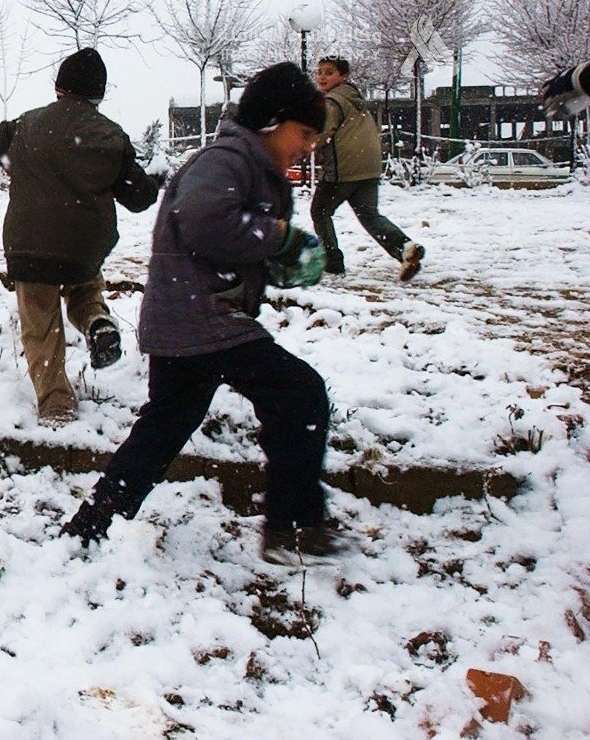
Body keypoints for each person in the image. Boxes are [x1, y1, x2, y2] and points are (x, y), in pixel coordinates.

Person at [61, 63, 349, 565]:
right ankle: (292, 527)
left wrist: (282, 267)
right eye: (303, 133)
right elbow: (203, 219)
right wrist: (279, 238)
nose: (308, 145)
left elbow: (228, 243)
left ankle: (92, 524)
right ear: (273, 121)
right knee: (298, 394)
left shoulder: (248, 166)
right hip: (205, 318)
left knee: (163, 429)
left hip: (186, 318)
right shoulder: (227, 160)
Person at [0, 48, 158, 425]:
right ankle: (96, 321)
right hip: (84, 244)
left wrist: (20, 157)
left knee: (41, 323)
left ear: (58, 85)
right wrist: (153, 180)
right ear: (100, 94)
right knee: (84, 288)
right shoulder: (112, 136)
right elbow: (139, 198)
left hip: (30, 242)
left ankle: (57, 405)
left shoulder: (27, 125)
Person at [310, 57, 425, 281]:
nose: (322, 77)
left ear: (343, 76)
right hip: (369, 167)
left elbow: (321, 133)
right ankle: (405, 248)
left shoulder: (332, 102)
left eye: (329, 72)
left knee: (320, 211)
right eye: (320, 72)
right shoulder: (355, 99)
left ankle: (331, 262)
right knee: (369, 214)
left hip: (343, 169)